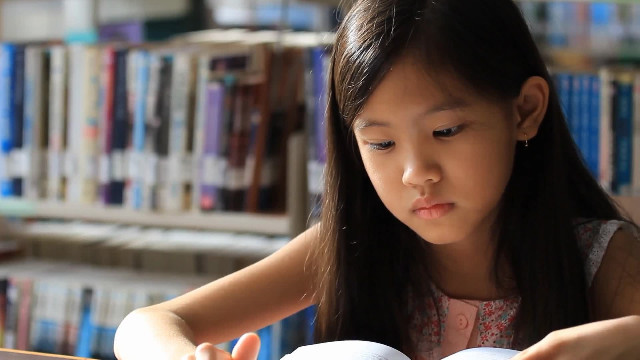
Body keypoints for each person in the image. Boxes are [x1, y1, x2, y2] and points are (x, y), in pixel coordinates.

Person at [113, 0, 640, 359]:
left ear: (524, 111)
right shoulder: (348, 245)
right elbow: (144, 325)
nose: (417, 174)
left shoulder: (597, 258)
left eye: (447, 130)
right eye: (381, 144)